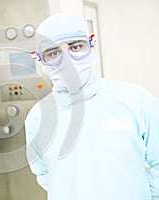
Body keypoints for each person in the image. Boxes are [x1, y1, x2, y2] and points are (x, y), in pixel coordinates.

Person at [25, 13, 159, 200]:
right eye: (54, 53)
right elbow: (45, 176)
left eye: (76, 47)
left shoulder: (137, 101)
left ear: (91, 45)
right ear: (41, 61)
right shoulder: (39, 117)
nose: (68, 61)